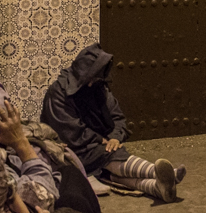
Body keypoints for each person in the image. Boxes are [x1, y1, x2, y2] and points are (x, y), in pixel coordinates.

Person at [42, 44, 186, 203]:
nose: (92, 82)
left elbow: (117, 117)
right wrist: (100, 140)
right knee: (108, 155)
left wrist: (115, 138)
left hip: (98, 146)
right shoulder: (58, 93)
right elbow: (69, 131)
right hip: (70, 150)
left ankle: (157, 188)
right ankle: (158, 172)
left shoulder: (99, 87)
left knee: (110, 168)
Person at [0, 77, 100, 213]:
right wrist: (21, 143)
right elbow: (42, 197)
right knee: (75, 198)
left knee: (69, 174)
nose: (1, 131)